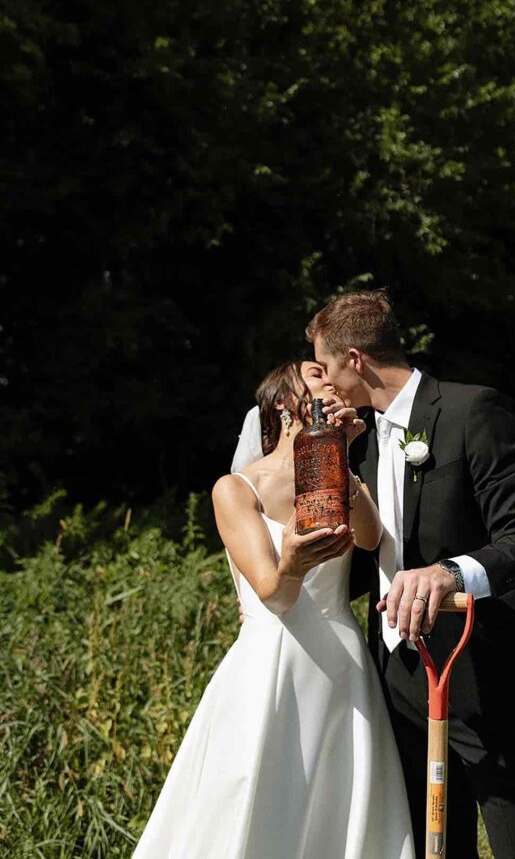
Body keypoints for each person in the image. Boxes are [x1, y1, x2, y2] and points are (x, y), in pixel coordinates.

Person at [307, 289, 515, 859]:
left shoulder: (471, 411)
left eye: (326, 367)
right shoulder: (362, 442)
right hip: (399, 677)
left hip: (484, 670)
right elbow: (367, 559)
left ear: (355, 360)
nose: (324, 384)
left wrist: (449, 574)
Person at [132, 359, 415, 859]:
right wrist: (292, 564)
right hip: (270, 663)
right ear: (283, 403)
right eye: (314, 373)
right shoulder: (235, 489)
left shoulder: (341, 476)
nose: (330, 378)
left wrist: (340, 458)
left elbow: (371, 538)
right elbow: (275, 595)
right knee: (256, 801)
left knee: (340, 805)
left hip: (341, 664)